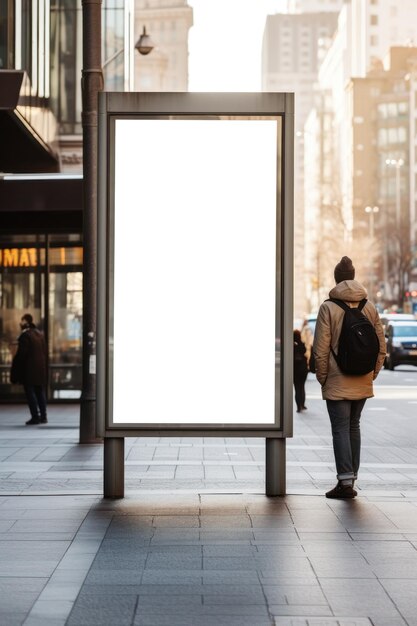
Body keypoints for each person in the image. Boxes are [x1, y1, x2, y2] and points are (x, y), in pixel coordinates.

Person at [312, 256, 386, 499]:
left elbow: (320, 349)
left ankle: (345, 483)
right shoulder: (369, 306)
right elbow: (381, 346)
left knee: (340, 429)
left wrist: (324, 378)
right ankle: (351, 477)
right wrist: (372, 374)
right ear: (353, 277)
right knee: (354, 426)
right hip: (362, 378)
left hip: (337, 378)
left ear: (336, 279)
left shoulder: (328, 307)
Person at [10, 314, 48, 425]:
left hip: (29, 371)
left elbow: (22, 355)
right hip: (40, 371)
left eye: (21, 321)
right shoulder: (39, 335)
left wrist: (16, 370)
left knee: (30, 393)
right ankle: (43, 416)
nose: (20, 323)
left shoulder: (25, 336)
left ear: (26, 322)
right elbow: (44, 352)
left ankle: (35, 417)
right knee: (40, 392)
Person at [293, 329, 308, 413]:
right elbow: (304, 352)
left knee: (297, 388)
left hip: (295, 371)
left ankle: (299, 406)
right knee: (302, 387)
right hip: (303, 371)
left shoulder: (291, 346)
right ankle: (302, 404)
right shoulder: (302, 345)